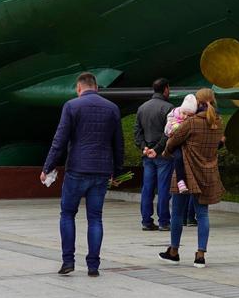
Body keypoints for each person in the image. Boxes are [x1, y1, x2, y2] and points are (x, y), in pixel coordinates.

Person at [41, 71, 124, 277]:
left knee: (68, 214)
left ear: (79, 88)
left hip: (77, 169)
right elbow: (118, 144)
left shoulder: (71, 106)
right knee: (95, 218)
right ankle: (93, 266)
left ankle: (68, 261)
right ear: (96, 87)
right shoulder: (112, 108)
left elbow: (59, 140)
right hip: (102, 171)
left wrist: (48, 167)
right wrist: (117, 171)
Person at [159, 88, 224, 269]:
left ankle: (173, 251)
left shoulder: (192, 122)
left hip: (186, 172)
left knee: (177, 214)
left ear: (199, 102)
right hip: (207, 172)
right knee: (202, 214)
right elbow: (218, 144)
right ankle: (200, 255)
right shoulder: (218, 122)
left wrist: (165, 152)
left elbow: (173, 141)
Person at [132, 79, 173, 232]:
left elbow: (137, 131)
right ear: (166, 89)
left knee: (147, 188)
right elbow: (169, 132)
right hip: (163, 154)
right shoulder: (169, 108)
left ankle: (146, 220)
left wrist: (144, 147)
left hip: (147, 154)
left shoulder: (142, 108)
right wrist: (157, 148)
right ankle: (164, 221)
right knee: (163, 188)